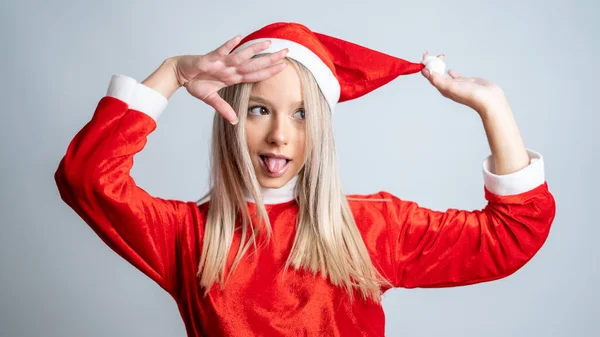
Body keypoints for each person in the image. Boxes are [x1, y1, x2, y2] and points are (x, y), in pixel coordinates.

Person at [54, 22, 556, 337]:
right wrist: (172, 74)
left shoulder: (371, 228)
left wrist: (494, 108)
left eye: (299, 115)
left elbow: (510, 236)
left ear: (321, 129)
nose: (279, 135)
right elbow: (86, 177)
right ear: (228, 114)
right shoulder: (190, 237)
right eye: (259, 109)